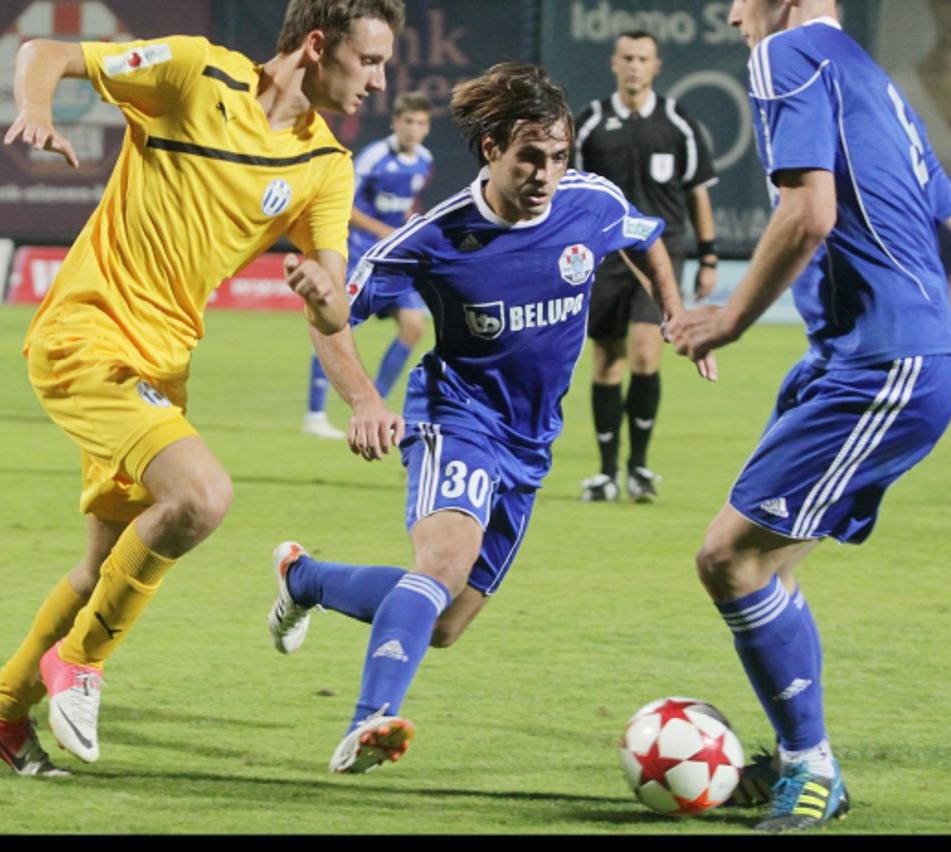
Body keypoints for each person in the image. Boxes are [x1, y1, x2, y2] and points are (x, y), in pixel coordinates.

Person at [0, 0, 405, 777]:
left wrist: (354, 372)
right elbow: (44, 51)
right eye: (370, 61)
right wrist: (34, 109)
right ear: (317, 46)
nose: (380, 81)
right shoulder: (197, 73)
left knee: (103, 568)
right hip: (86, 334)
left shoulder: (324, 166)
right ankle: (83, 661)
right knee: (202, 496)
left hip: (164, 366)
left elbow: (333, 302)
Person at [267, 62, 715, 774]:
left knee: (443, 624)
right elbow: (332, 319)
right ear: (492, 151)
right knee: (441, 565)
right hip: (456, 417)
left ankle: (307, 580)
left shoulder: (588, 202)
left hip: (531, 441)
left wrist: (673, 311)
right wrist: (365, 400)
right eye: (530, 156)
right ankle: (369, 721)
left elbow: (644, 238)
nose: (546, 172)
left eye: (559, 155)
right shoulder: (435, 238)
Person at [668, 0, 951, 832]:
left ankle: (812, 769)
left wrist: (730, 318)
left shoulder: (786, 55)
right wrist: (918, 340)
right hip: (887, 361)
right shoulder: (876, 82)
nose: (732, 11)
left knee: (727, 558)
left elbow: (808, 214)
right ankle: (800, 755)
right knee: (764, 567)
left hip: (879, 367)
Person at [574, 30, 720, 503]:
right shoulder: (592, 123)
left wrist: (709, 255)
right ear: (614, 63)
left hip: (661, 251)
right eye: (627, 58)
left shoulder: (678, 123)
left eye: (643, 58)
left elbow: (697, 191)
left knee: (645, 352)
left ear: (656, 66)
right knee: (607, 361)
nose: (635, 66)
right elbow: (571, 193)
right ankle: (606, 472)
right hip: (605, 256)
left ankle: (638, 467)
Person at [303, 91, 433, 439]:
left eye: (421, 123)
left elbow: (401, 207)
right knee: (336, 325)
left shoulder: (423, 160)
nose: (413, 129)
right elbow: (344, 204)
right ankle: (314, 415)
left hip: (392, 257)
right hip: (360, 252)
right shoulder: (375, 156)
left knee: (414, 327)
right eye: (408, 121)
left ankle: (377, 405)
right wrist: (383, 230)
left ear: (427, 127)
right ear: (396, 122)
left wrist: (408, 228)